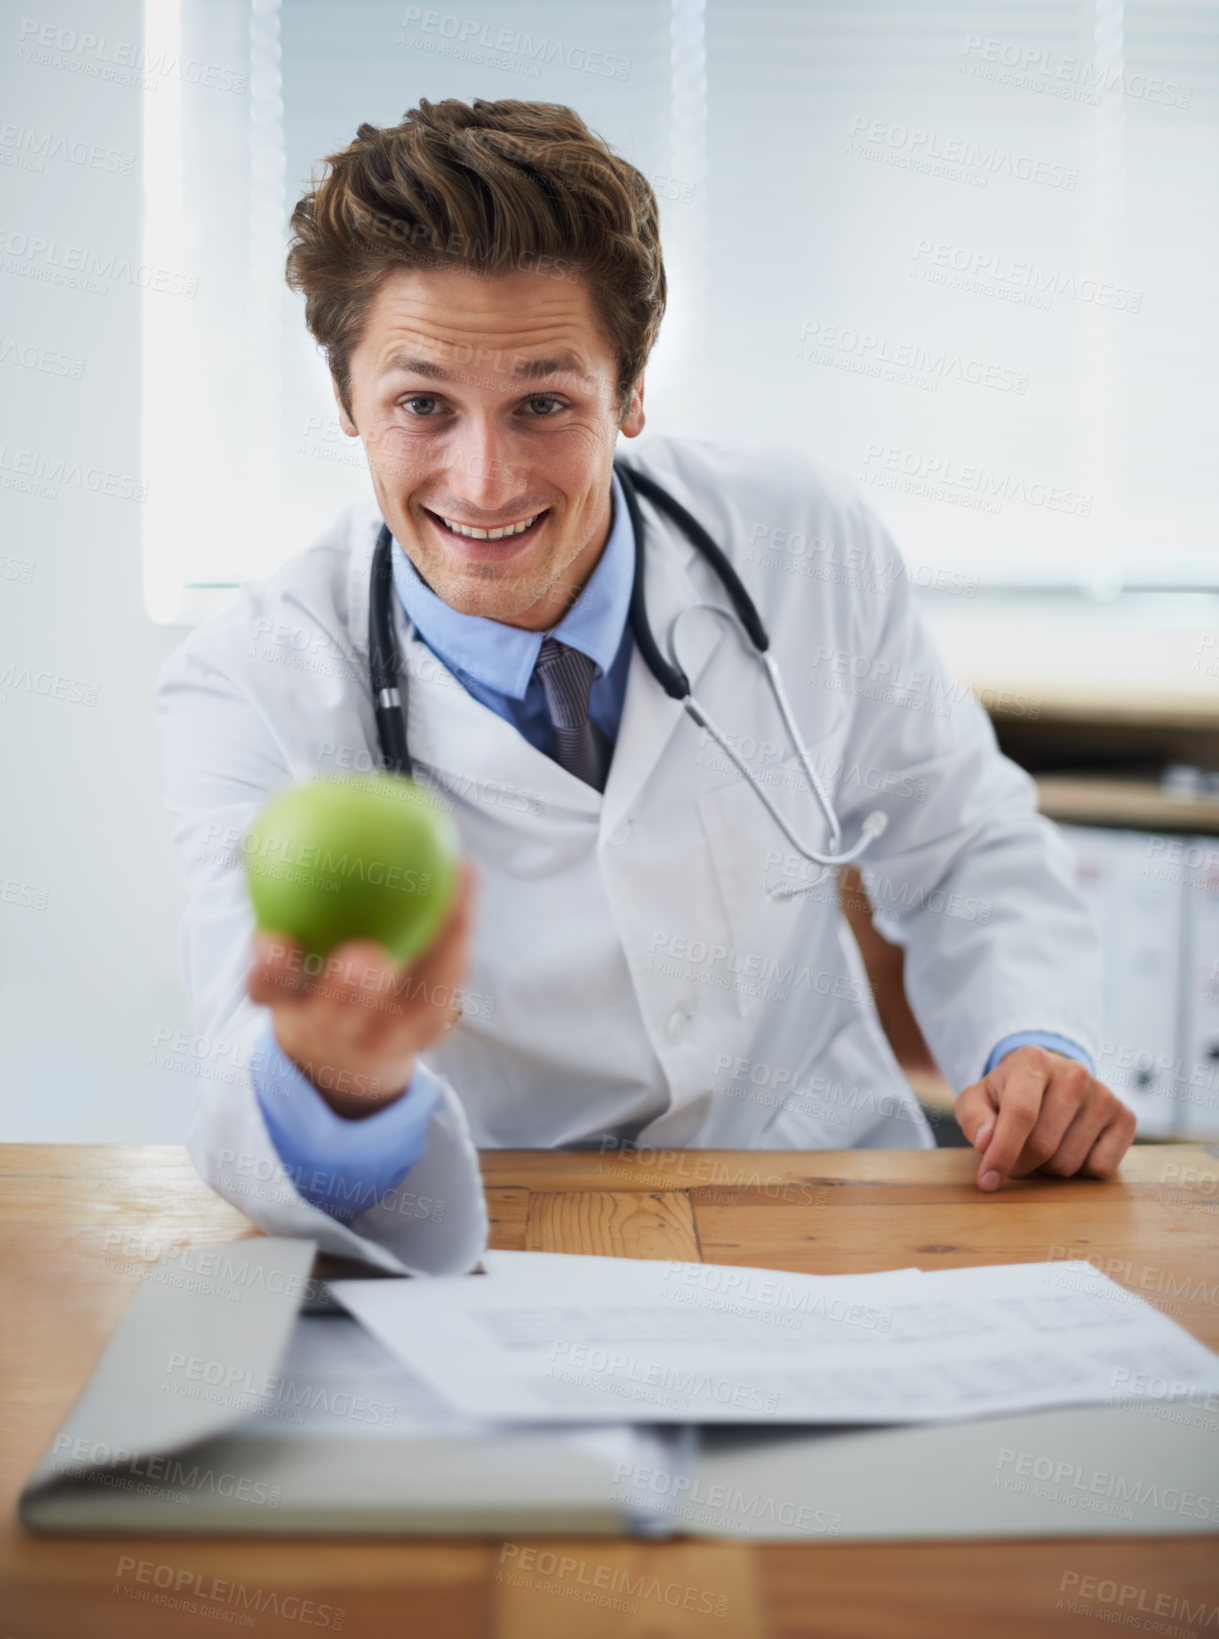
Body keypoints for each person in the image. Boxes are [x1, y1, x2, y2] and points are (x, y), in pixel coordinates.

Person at [154, 97, 1135, 1274]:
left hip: (827, 1204)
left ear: (628, 392)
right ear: (345, 404)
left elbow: (961, 839)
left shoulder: (796, 537)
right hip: (503, 1241)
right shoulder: (252, 684)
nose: (484, 478)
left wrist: (1030, 1039)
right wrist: (332, 1079)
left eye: (545, 403)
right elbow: (235, 1081)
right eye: (421, 404)